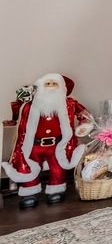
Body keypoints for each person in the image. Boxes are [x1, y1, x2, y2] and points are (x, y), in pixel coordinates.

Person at [2, 73, 91, 208]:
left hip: (58, 145)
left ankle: (56, 189)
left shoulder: (69, 103)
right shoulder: (30, 105)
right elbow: (18, 117)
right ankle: (29, 192)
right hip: (34, 144)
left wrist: (83, 127)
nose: (51, 87)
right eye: (47, 84)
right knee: (28, 166)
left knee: (58, 168)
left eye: (54, 84)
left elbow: (85, 115)